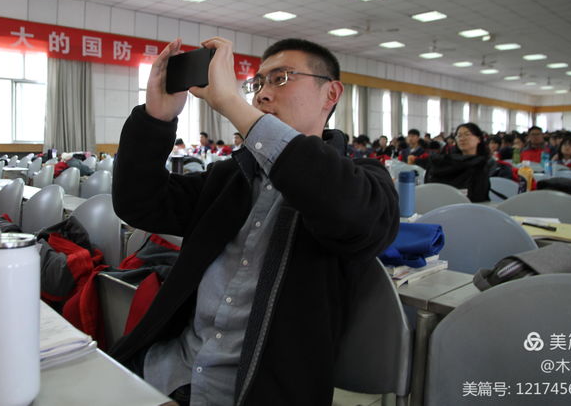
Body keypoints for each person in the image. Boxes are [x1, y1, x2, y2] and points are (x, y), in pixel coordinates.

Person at [111, 36, 398, 406]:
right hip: (166, 371)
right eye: (258, 83)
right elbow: (139, 203)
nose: (262, 94)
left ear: (331, 94)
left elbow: (353, 216)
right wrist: (157, 117)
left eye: (280, 79)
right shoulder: (230, 179)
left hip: (255, 391)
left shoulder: (363, 181)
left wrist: (232, 103)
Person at [421, 122, 494, 202]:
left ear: (479, 139)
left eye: (467, 134)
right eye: (459, 135)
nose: (462, 138)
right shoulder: (445, 162)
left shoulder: (481, 164)